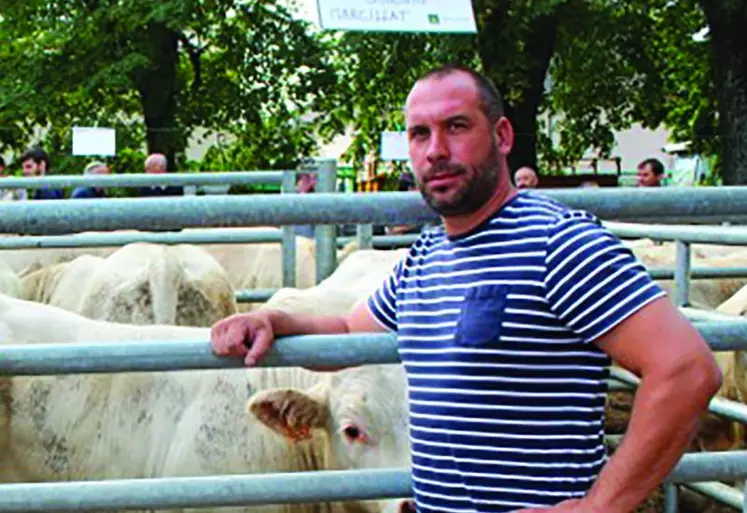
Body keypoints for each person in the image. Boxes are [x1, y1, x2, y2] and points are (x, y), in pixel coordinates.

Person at [210, 65, 721, 512]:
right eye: (419, 134)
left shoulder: (558, 241)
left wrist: (599, 507)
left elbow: (687, 370)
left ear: (501, 135)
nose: (436, 151)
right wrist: (273, 320)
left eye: (456, 127)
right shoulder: (428, 256)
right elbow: (347, 328)